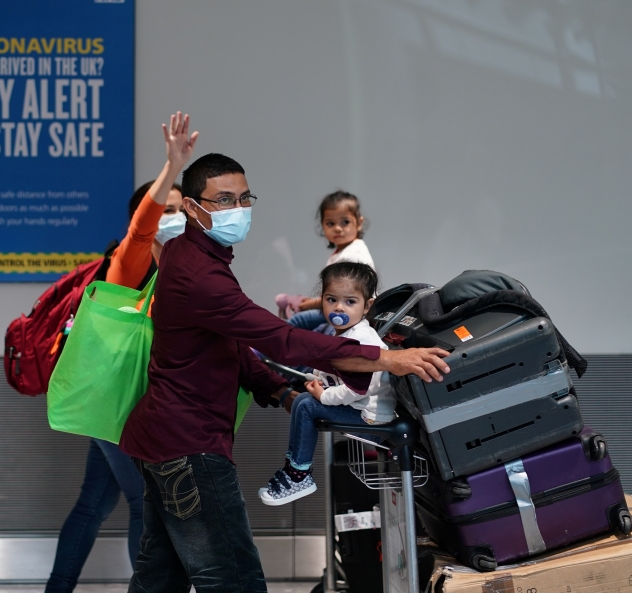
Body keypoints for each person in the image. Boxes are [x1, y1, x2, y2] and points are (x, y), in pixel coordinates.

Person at [119, 152, 450, 593]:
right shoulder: (200, 274)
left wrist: (283, 392)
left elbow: (228, 344)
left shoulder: (191, 253)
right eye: (222, 200)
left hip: (163, 442)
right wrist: (385, 359)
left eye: (243, 197)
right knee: (233, 578)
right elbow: (282, 339)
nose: (237, 209)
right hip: (187, 448)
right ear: (195, 209)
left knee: (160, 576)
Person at [44, 112, 196, 593]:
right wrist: (171, 169)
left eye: (181, 209)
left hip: (111, 402)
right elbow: (141, 232)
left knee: (92, 504)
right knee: (143, 504)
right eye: (166, 210)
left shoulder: (179, 271)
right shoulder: (127, 266)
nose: (175, 218)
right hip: (120, 403)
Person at [260, 261, 391, 506]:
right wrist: (317, 381)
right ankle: (294, 467)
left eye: (350, 302)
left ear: (367, 306)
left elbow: (355, 389)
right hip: (357, 408)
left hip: (370, 417)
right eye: (332, 299)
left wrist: (322, 396)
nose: (339, 307)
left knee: (308, 405)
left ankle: (299, 475)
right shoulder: (341, 332)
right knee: (301, 400)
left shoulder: (361, 339)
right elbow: (335, 372)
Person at [277, 190, 374, 328]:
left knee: (298, 321)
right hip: (341, 308)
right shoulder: (343, 251)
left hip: (350, 312)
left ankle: (263, 349)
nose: (338, 228)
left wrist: (307, 304)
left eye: (345, 222)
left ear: (359, 223)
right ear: (322, 225)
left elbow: (341, 296)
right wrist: (310, 301)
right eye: (330, 223)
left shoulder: (351, 256)